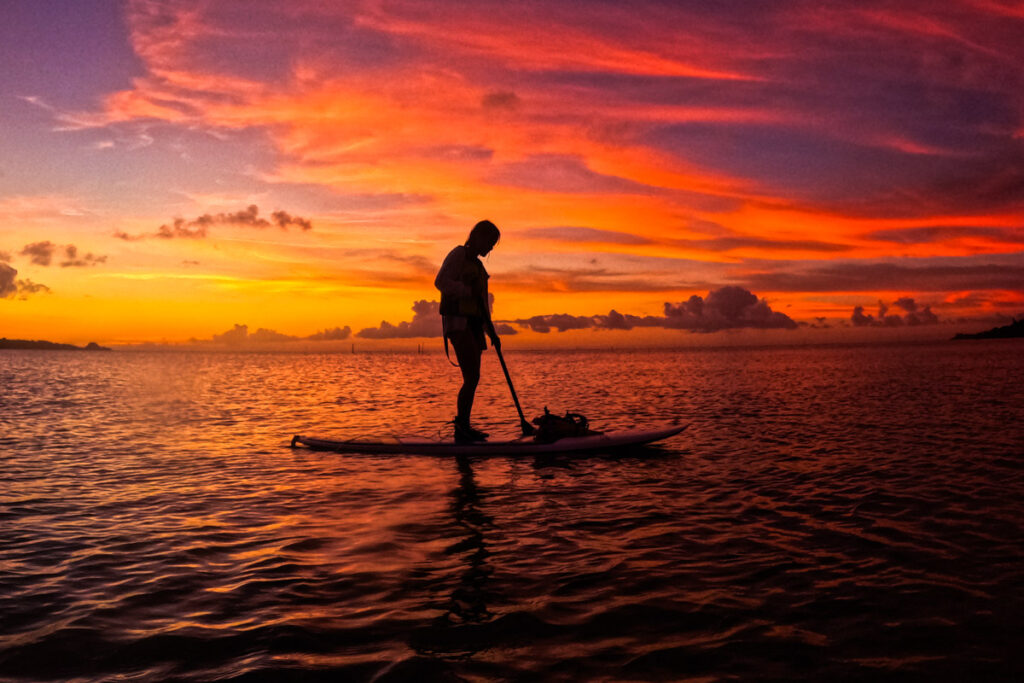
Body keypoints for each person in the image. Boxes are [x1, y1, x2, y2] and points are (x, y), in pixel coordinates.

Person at [435, 220, 502, 442]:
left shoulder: (481, 270)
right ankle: (462, 427)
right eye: (490, 242)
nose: (491, 248)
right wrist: (466, 290)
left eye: (493, 244)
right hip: (458, 323)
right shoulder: (458, 255)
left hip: (475, 326)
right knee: (471, 376)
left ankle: (464, 425)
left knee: (474, 378)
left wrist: (492, 333)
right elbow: (440, 282)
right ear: (477, 237)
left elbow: (484, 307)